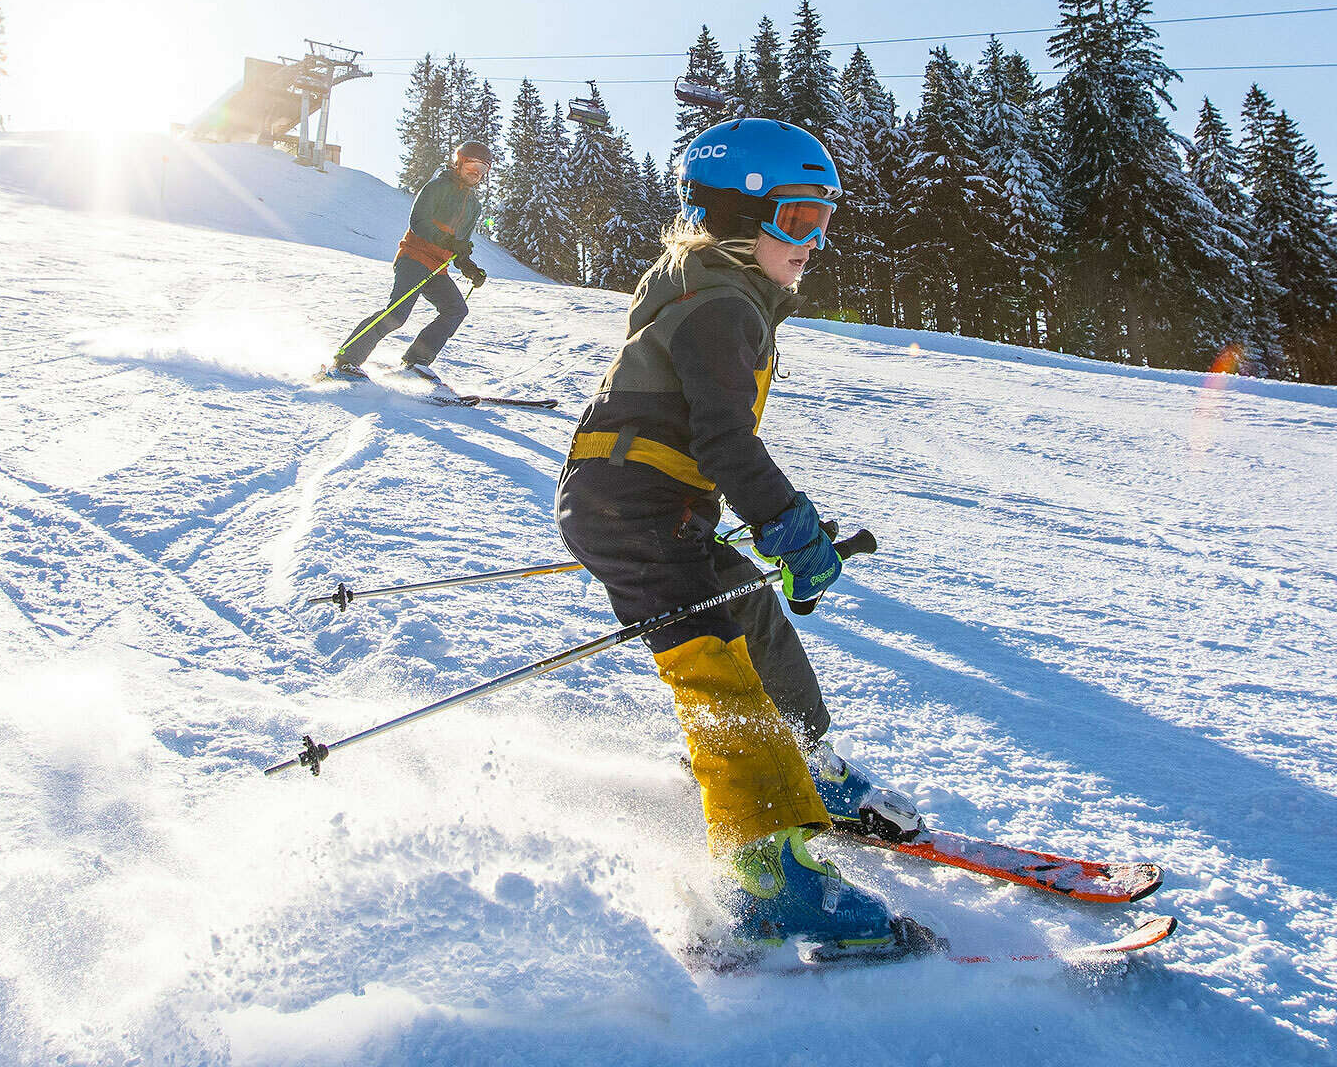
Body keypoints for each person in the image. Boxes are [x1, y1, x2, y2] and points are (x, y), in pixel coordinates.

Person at [556, 118, 921, 962]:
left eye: (824, 224)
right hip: (635, 507)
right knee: (715, 662)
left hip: (647, 504)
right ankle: (767, 880)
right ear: (734, 216)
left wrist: (769, 521)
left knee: (748, 608)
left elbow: (706, 440)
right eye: (797, 221)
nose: (814, 243)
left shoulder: (714, 291)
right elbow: (726, 439)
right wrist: (786, 522)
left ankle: (809, 764)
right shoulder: (722, 303)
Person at [330, 142, 492, 379]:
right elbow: (418, 222)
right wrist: (449, 242)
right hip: (415, 258)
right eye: (473, 164)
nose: (477, 172)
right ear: (459, 162)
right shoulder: (438, 186)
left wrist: (467, 266)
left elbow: (460, 243)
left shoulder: (474, 207)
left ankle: (416, 362)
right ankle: (347, 359)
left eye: (483, 169)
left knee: (456, 310)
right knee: (397, 314)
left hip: (437, 268)